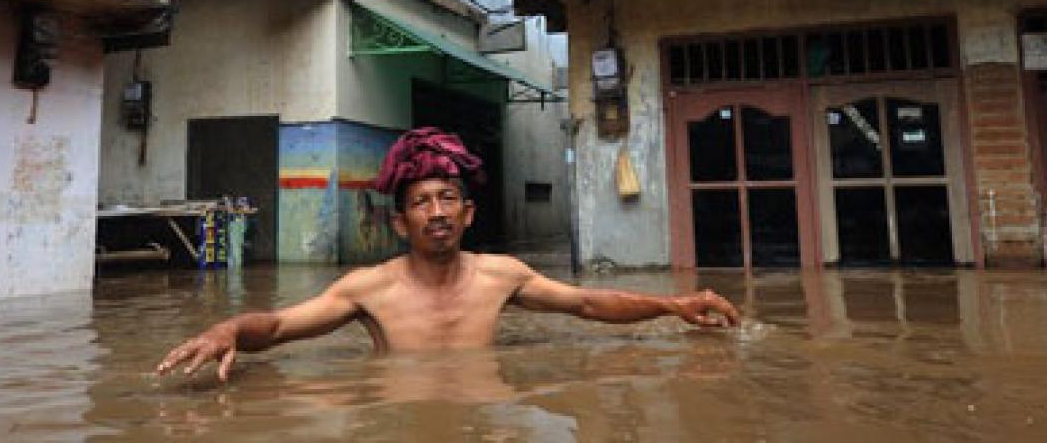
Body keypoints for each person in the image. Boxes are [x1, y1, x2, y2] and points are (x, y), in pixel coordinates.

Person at [157, 127, 740, 382]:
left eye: (448, 199)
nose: (436, 212)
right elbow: (281, 324)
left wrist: (672, 305)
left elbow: (588, 303)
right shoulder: (369, 288)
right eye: (421, 202)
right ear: (400, 220)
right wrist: (229, 327)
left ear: (468, 214)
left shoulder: (501, 276)